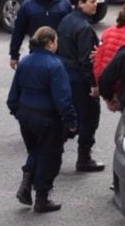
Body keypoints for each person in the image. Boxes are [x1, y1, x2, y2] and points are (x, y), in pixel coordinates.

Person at [7, 27, 78, 213]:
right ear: (51, 42)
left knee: (36, 151)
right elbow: (63, 98)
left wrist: (18, 112)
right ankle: (42, 198)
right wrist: (71, 121)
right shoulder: (55, 65)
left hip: (26, 116)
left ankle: (26, 185)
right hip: (48, 119)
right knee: (50, 157)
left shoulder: (25, 62)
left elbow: (13, 95)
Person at [57, 0, 104, 172]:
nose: (95, 4)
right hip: (80, 80)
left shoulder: (66, 20)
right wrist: (93, 84)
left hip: (65, 76)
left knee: (70, 115)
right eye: (92, 1)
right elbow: (86, 60)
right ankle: (84, 158)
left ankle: (53, 151)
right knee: (89, 118)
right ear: (81, 3)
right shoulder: (84, 28)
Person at [9, 0, 72, 70]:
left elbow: (73, 29)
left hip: (61, 55)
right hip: (37, 55)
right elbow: (18, 32)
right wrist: (14, 55)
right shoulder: (28, 5)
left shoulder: (64, 3)